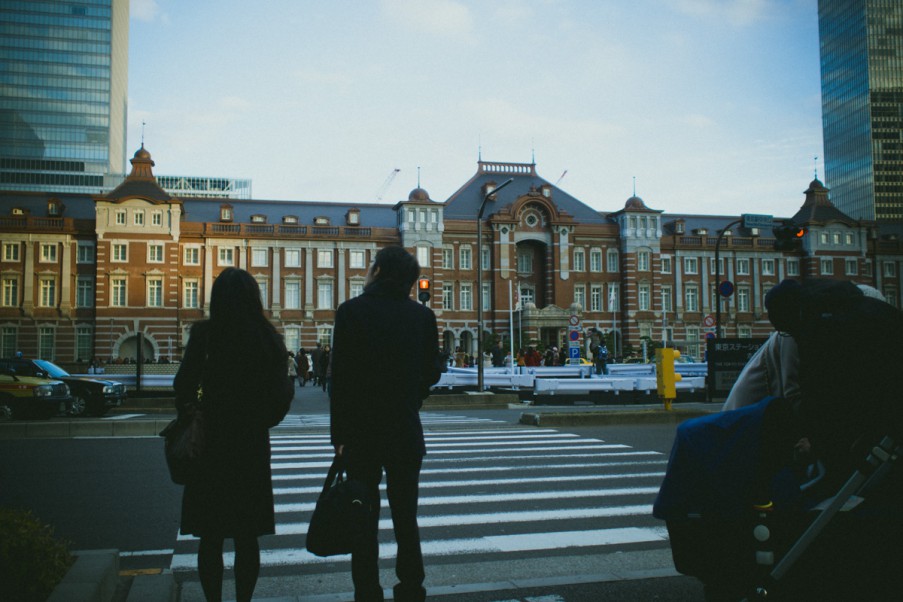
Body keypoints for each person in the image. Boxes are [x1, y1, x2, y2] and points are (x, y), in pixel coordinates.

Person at [174, 267, 293, 602]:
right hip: (250, 446)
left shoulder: (205, 335)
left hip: (210, 444)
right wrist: (259, 421)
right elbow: (282, 396)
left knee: (209, 537)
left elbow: (182, 386)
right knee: (246, 536)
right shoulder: (267, 337)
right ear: (254, 298)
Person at [330, 246, 441, 602]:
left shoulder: (350, 312)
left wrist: (340, 435)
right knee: (405, 516)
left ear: (377, 272)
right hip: (404, 430)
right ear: (410, 281)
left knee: (364, 517)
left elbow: (340, 381)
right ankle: (411, 587)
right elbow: (432, 371)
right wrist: (412, 396)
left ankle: (367, 590)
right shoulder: (421, 317)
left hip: (361, 432)